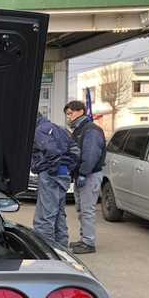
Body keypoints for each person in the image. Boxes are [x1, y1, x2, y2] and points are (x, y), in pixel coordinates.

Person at [64, 100, 106, 254]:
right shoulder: (79, 130)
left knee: (87, 211)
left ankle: (89, 243)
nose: (68, 117)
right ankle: (84, 239)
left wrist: (83, 173)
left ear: (80, 111)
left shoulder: (91, 130)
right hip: (81, 175)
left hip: (89, 175)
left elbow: (91, 154)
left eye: (70, 113)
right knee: (81, 210)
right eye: (67, 114)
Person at [31, 114, 79, 248]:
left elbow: (52, 151)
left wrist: (52, 169)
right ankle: (62, 249)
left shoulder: (40, 130)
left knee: (44, 216)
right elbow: (75, 150)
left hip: (50, 174)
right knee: (58, 214)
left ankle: (46, 250)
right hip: (63, 173)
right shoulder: (61, 129)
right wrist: (67, 167)